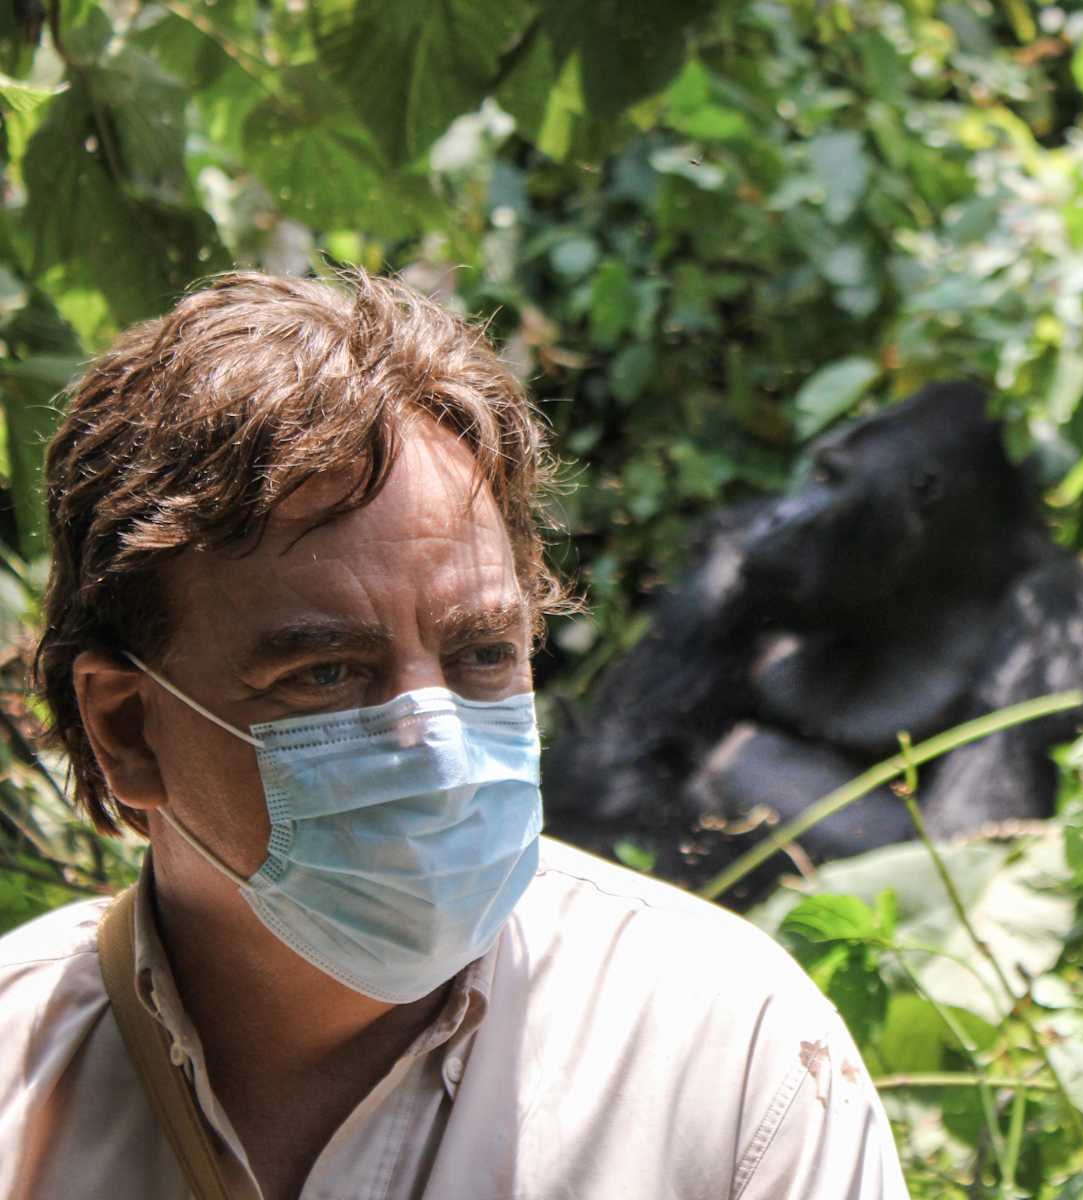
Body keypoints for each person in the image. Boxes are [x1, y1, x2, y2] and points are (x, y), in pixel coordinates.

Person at [0, 271, 908, 1199]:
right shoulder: (17, 1080)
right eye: (326, 673)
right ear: (126, 728)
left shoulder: (728, 1059)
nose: (435, 744)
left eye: (482, 656)